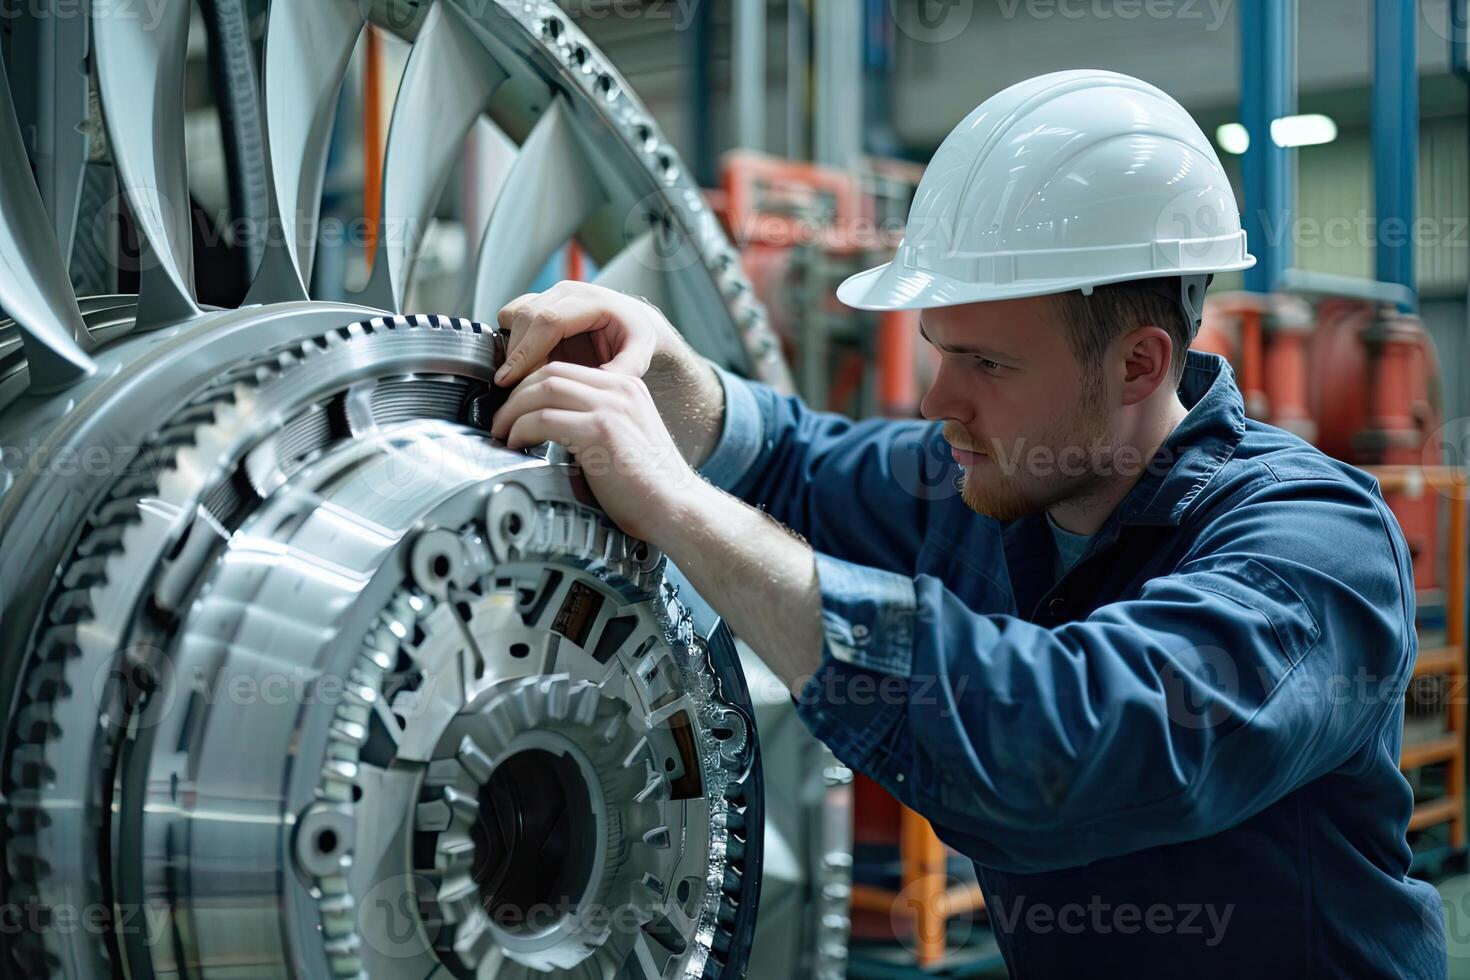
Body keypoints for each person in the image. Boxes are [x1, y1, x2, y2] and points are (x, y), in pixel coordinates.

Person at [488, 70, 1448, 976]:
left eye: (987, 365)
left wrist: (677, 502)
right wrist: (665, 369)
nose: (937, 402)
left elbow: (1061, 745)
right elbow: (791, 458)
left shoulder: (1315, 548)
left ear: (1138, 365)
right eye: (938, 350)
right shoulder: (984, 480)